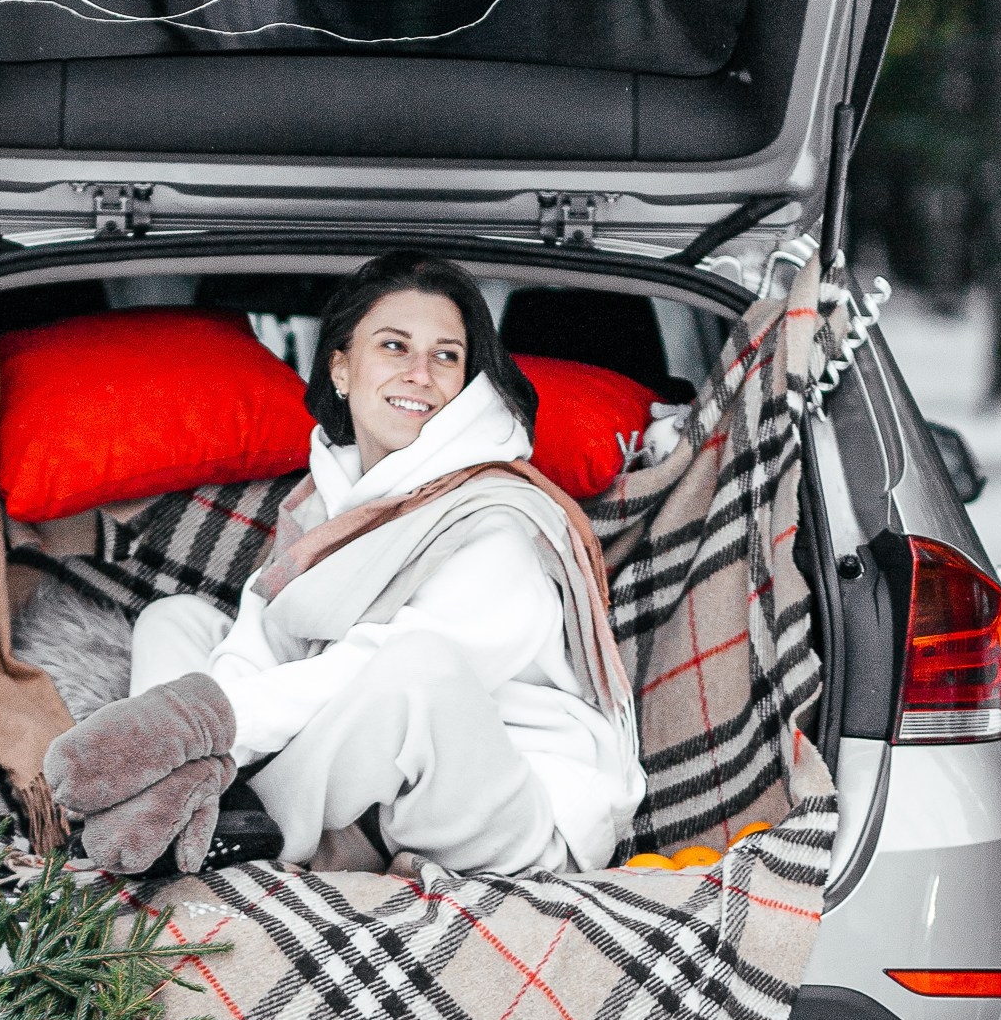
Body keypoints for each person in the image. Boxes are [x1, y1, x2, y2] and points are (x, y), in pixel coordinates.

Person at [46, 255, 643, 878]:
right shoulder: (324, 498)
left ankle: (239, 821)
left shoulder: (498, 521)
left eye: (446, 356)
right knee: (178, 619)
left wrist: (208, 725)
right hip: (387, 796)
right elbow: (265, 636)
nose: (421, 374)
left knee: (418, 668)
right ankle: (173, 799)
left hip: (513, 814)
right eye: (395, 346)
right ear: (341, 367)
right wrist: (199, 736)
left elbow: (370, 670)